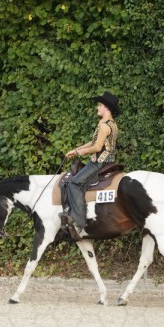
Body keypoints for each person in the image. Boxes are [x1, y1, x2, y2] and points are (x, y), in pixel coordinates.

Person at [59, 91, 120, 241]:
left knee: (74, 184)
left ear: (106, 107)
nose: (97, 108)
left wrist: (82, 152)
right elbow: (93, 142)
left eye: (99, 105)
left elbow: (97, 147)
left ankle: (79, 222)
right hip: (109, 161)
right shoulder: (112, 124)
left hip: (98, 163)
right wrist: (76, 150)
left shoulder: (103, 126)